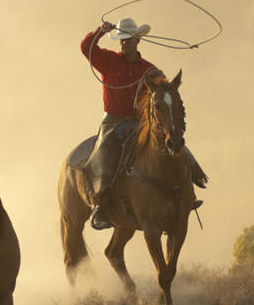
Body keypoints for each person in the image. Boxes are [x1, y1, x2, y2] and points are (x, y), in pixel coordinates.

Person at [80, 17, 206, 230]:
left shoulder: (150, 70)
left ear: (137, 40)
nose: (123, 42)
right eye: (121, 39)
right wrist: (99, 32)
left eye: (128, 39)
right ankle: (101, 204)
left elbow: (165, 92)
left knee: (175, 143)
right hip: (113, 123)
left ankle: (188, 190)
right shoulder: (107, 60)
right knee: (105, 154)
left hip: (140, 122)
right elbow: (86, 48)